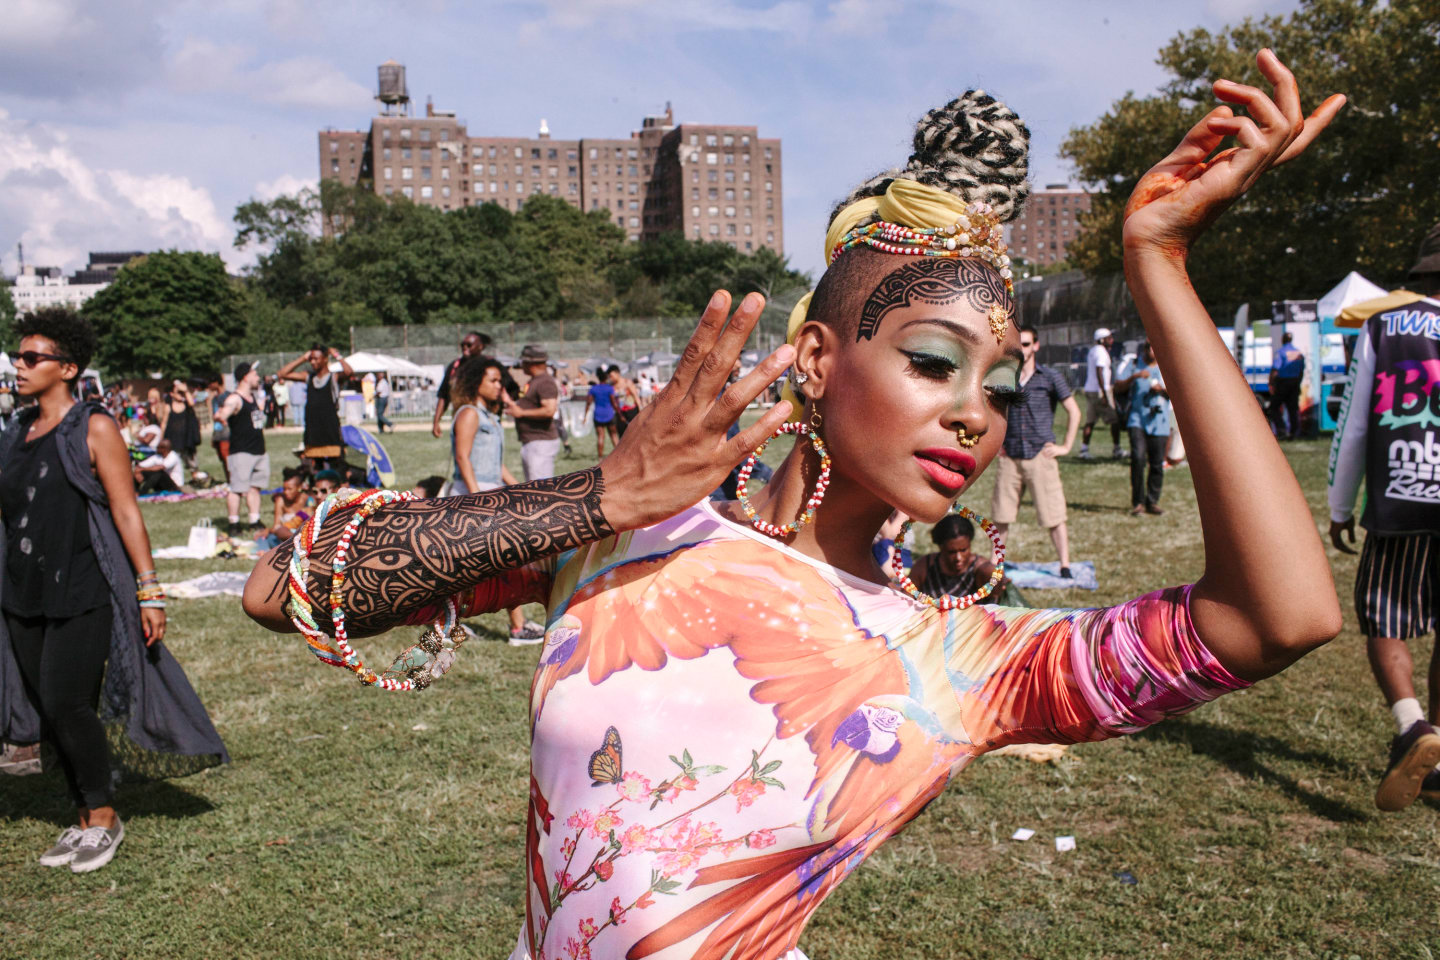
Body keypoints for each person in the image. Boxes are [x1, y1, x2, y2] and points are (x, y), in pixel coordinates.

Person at [244, 60, 1345, 959]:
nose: (978, 416)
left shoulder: (957, 661)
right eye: (932, 362)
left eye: (1000, 385)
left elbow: (1281, 615)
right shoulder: (638, 532)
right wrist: (600, 496)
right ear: (816, 359)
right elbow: (282, 586)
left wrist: (1159, 263)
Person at [1, 307, 227, 873]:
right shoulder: (14, 431)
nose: (19, 366)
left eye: (33, 358)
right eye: (17, 356)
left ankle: (102, 817)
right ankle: (81, 817)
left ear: (68, 367)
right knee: (45, 708)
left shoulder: (93, 426)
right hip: (21, 588)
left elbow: (126, 512)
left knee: (66, 700)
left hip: (82, 585)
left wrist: (150, 590)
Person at [1327, 222, 1440, 811]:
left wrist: (1341, 507)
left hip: (1404, 491)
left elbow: (1355, 425)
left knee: (1386, 620)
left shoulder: (1386, 325)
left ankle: (1413, 726)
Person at [449, 356, 542, 645]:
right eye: (492, 380)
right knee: (494, 563)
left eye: (500, 380)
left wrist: (520, 488)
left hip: (490, 491)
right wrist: (477, 497)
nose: (498, 385)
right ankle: (516, 628)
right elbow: (463, 456)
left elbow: (496, 463)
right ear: (476, 383)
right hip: (471, 495)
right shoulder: (469, 413)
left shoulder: (490, 417)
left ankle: (449, 627)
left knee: (492, 564)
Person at [991, 324, 1080, 576]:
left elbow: (1074, 411)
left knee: (1054, 515)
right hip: (1010, 455)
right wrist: (997, 443)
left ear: (1036, 346)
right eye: (1019, 343)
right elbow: (994, 411)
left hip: (1041, 454)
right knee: (1001, 515)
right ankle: (994, 565)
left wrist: (1065, 447)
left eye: (1027, 344)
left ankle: (1064, 564)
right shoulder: (1005, 376)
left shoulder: (1050, 377)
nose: (1023, 348)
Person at [278, 345, 353, 473]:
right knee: (314, 468)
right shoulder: (308, 376)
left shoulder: (333, 377)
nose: (313, 362)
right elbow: (282, 373)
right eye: (311, 359)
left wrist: (337, 356)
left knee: (337, 465)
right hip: (313, 429)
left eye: (316, 359)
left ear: (325, 359)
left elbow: (349, 372)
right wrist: (302, 358)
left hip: (330, 429)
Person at [215, 362, 269, 536]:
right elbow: (222, 413)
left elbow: (257, 422)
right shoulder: (235, 398)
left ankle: (254, 520)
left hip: (258, 449)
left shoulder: (253, 398)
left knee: (255, 487)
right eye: (254, 374)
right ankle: (234, 523)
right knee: (237, 488)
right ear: (245, 376)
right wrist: (221, 416)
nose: (257, 377)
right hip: (241, 451)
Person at [908, 514, 1006, 605]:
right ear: (941, 547)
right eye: (951, 552)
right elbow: (906, 597)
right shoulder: (924, 567)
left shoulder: (981, 571)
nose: (958, 558)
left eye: (963, 550)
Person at [1125, 341, 1171, 516]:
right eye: (1149, 347)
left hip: (1160, 422)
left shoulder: (1167, 368)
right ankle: (1138, 503)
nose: (1153, 350)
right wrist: (1134, 377)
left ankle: (1152, 501)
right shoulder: (1135, 365)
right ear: (1144, 350)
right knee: (1137, 458)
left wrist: (1162, 390)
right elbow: (1119, 387)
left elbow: (1179, 394)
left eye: (1156, 347)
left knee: (1157, 464)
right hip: (1137, 419)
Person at [504, 345, 562, 481]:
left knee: (540, 491)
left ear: (531, 363)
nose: (521, 365)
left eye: (523, 361)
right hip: (534, 441)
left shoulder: (545, 382)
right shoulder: (536, 381)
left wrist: (522, 413)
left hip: (541, 442)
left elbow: (549, 410)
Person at [431, 331, 487, 438]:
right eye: (463, 345)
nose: (465, 347)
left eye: (469, 345)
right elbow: (443, 395)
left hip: (484, 423)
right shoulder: (454, 366)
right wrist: (436, 422)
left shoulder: (488, 365)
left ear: (480, 347)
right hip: (460, 421)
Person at [1079, 327, 1122, 459]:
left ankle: (1084, 450)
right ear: (1102, 340)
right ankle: (1117, 449)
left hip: (1091, 389)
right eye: (1109, 338)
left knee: (1090, 421)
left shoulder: (1093, 351)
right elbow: (1099, 371)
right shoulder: (1101, 352)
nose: (1112, 340)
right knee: (1115, 421)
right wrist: (1104, 392)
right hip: (1100, 390)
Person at [256, 467, 314, 552]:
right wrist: (268, 531)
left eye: (290, 489)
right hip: (283, 536)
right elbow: (276, 526)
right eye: (284, 489)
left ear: (299, 487)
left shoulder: (308, 500)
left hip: (303, 536)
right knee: (267, 538)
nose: (286, 492)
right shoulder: (281, 500)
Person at [1268, 331, 1306, 440]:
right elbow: (1301, 371)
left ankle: (1281, 429)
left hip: (1283, 383)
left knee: (1273, 407)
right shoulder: (1298, 353)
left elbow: (1275, 370)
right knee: (1292, 409)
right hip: (1295, 383)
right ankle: (1294, 432)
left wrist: (1271, 383)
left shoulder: (1281, 352)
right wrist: (1298, 382)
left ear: (1283, 340)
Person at [159, 380, 201, 472]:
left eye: (182, 393)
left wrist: (185, 390)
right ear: (172, 394)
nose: (181, 395)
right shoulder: (168, 406)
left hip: (186, 439)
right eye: (178, 393)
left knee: (192, 463)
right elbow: (164, 423)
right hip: (173, 439)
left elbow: (192, 403)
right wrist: (161, 439)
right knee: (172, 463)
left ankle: (196, 478)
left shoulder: (186, 404)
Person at [582, 367, 618, 457]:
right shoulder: (610, 388)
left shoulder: (593, 389)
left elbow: (588, 403)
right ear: (606, 378)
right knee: (613, 435)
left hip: (598, 415)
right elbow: (614, 403)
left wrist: (585, 416)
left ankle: (600, 458)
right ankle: (619, 455)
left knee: (601, 437)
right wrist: (620, 414)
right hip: (609, 414)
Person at [207, 375, 232, 484]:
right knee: (222, 458)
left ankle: (233, 481)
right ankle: (228, 480)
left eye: (211, 383)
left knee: (228, 458)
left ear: (217, 382)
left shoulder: (228, 396)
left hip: (227, 431)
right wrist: (214, 435)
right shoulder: (214, 399)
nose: (209, 385)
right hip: (218, 432)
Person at [609, 365, 641, 437]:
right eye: (609, 376)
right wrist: (619, 414)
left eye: (611, 376)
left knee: (635, 435)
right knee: (622, 436)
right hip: (620, 414)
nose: (611, 378)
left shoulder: (627, 382)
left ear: (617, 373)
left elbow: (636, 397)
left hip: (632, 411)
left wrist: (640, 412)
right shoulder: (611, 386)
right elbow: (613, 402)